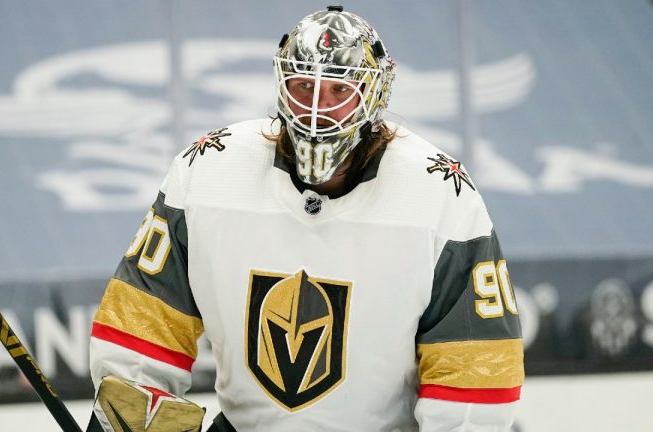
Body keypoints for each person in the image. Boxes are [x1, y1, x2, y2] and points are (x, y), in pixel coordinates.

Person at [90, 6, 523, 431]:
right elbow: (143, 335)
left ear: (374, 95)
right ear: (281, 85)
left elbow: (474, 375)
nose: (317, 108)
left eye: (339, 89)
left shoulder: (439, 193)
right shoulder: (208, 171)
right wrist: (128, 417)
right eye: (303, 87)